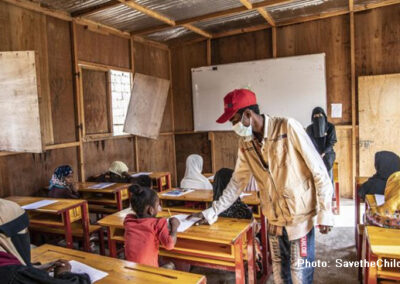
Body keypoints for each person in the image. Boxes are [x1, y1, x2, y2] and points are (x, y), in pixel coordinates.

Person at [189, 89, 333, 284]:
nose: (233, 126)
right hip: (274, 220)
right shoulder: (245, 144)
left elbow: (319, 170)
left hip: (300, 219)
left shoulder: (287, 128)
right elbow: (236, 183)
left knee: (300, 278)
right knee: (281, 278)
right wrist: (212, 211)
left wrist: (325, 212)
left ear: (248, 115)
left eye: (234, 120)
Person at [0, 198, 90, 283]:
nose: (26, 233)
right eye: (23, 231)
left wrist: (34, 268)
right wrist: (63, 274)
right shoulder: (12, 274)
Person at [124, 185, 180, 267]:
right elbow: (170, 245)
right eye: (157, 205)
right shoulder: (157, 224)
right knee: (171, 265)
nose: (159, 208)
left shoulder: (128, 220)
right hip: (148, 271)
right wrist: (175, 226)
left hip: (131, 269)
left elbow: (144, 220)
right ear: (151, 210)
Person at [306, 107, 337, 180]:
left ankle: (331, 192)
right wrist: (316, 154)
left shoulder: (330, 127)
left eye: (320, 116)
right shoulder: (309, 129)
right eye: (315, 116)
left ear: (324, 116)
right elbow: (308, 143)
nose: (318, 118)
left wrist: (323, 153)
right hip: (314, 156)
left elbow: (331, 142)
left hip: (327, 155)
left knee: (329, 178)